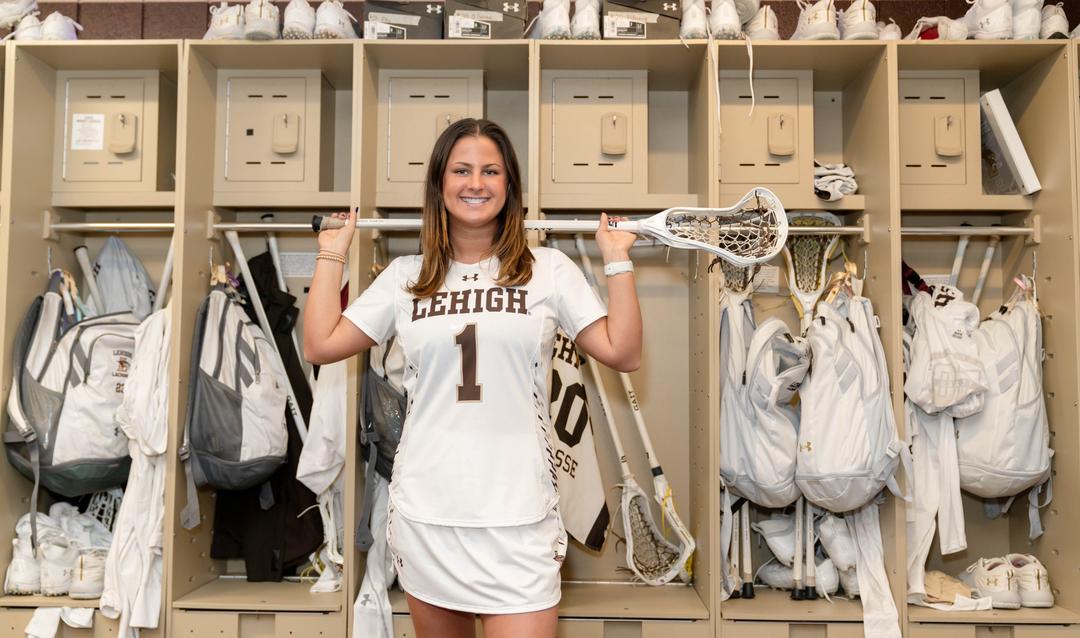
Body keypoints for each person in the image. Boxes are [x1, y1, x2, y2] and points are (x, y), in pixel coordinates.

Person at [303, 118, 642, 638]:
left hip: (519, 520)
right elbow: (320, 343)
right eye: (461, 170)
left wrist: (617, 261)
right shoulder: (405, 278)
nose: (476, 183)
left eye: (491, 171)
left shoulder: (548, 269)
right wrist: (331, 252)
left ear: (509, 187)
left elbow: (624, 351)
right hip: (428, 514)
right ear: (440, 184)